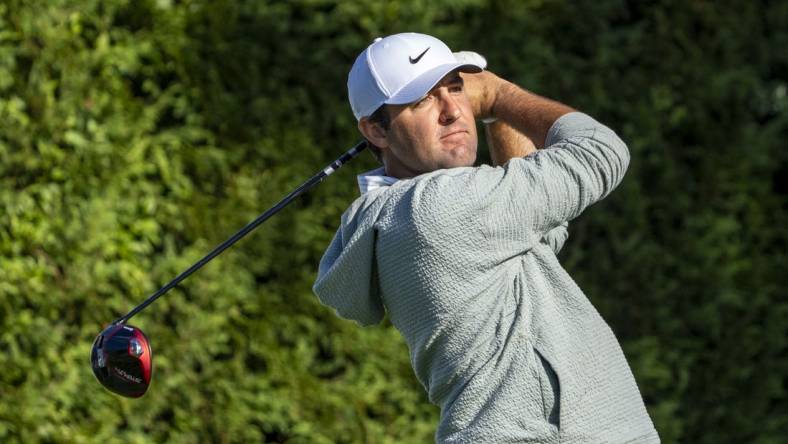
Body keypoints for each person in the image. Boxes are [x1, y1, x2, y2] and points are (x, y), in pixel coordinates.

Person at [313, 32, 660, 443]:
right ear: (375, 131)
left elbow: (541, 232)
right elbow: (602, 152)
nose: (452, 112)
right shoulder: (437, 207)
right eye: (422, 99)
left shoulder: (401, 215)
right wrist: (498, 95)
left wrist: (496, 117)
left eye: (456, 89)